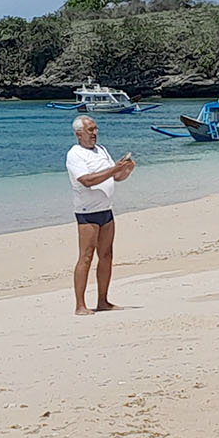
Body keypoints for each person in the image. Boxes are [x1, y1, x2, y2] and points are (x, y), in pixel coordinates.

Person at [67, 114, 136, 315]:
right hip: (87, 213)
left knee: (106, 255)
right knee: (86, 257)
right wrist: (115, 168)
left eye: (96, 129)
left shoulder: (101, 150)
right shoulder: (75, 154)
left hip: (106, 210)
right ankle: (80, 305)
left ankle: (103, 300)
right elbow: (87, 180)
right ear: (79, 133)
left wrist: (126, 169)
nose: (95, 133)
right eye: (90, 130)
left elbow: (115, 177)